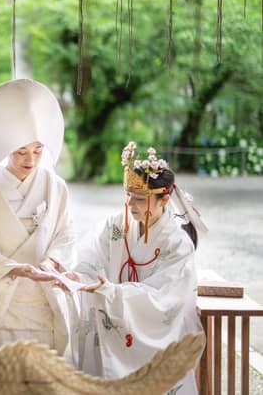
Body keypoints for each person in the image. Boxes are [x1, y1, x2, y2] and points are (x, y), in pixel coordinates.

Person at [59, 142, 206, 394]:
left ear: (165, 199)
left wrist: (113, 292)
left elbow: (166, 299)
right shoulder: (117, 226)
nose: (130, 204)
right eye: (127, 195)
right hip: (116, 313)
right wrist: (79, 275)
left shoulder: (177, 244)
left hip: (154, 326)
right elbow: (94, 255)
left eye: (139, 198)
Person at [0, 79, 75, 361]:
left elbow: (67, 234)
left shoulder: (55, 186)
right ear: (3, 147)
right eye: (21, 151)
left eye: (37, 149)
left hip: (40, 296)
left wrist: (52, 262)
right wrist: (15, 268)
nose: (30, 159)